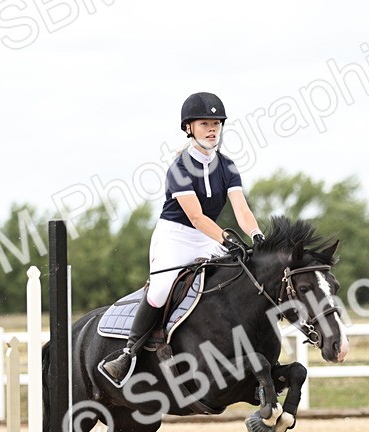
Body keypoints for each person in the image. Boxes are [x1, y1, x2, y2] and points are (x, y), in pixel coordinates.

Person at [99, 91, 265, 386]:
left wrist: (256, 235)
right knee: (161, 289)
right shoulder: (179, 168)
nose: (212, 129)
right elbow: (196, 217)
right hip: (175, 236)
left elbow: (241, 208)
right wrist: (227, 239)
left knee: (238, 275)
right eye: (204, 124)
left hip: (207, 236)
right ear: (189, 128)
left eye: (216, 123)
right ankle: (128, 353)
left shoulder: (227, 166)